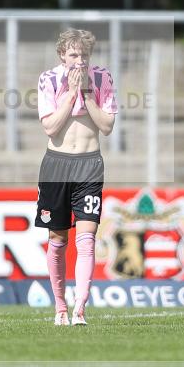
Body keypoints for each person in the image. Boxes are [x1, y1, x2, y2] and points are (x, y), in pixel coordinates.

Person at [36, 29, 117, 326]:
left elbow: (107, 126)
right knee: (57, 240)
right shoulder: (49, 79)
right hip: (57, 165)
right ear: (62, 55)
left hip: (89, 164)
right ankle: (59, 307)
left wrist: (86, 94)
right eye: (73, 55)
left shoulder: (102, 77)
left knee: (87, 239)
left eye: (84, 55)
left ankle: (80, 308)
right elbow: (51, 128)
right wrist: (71, 94)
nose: (79, 61)